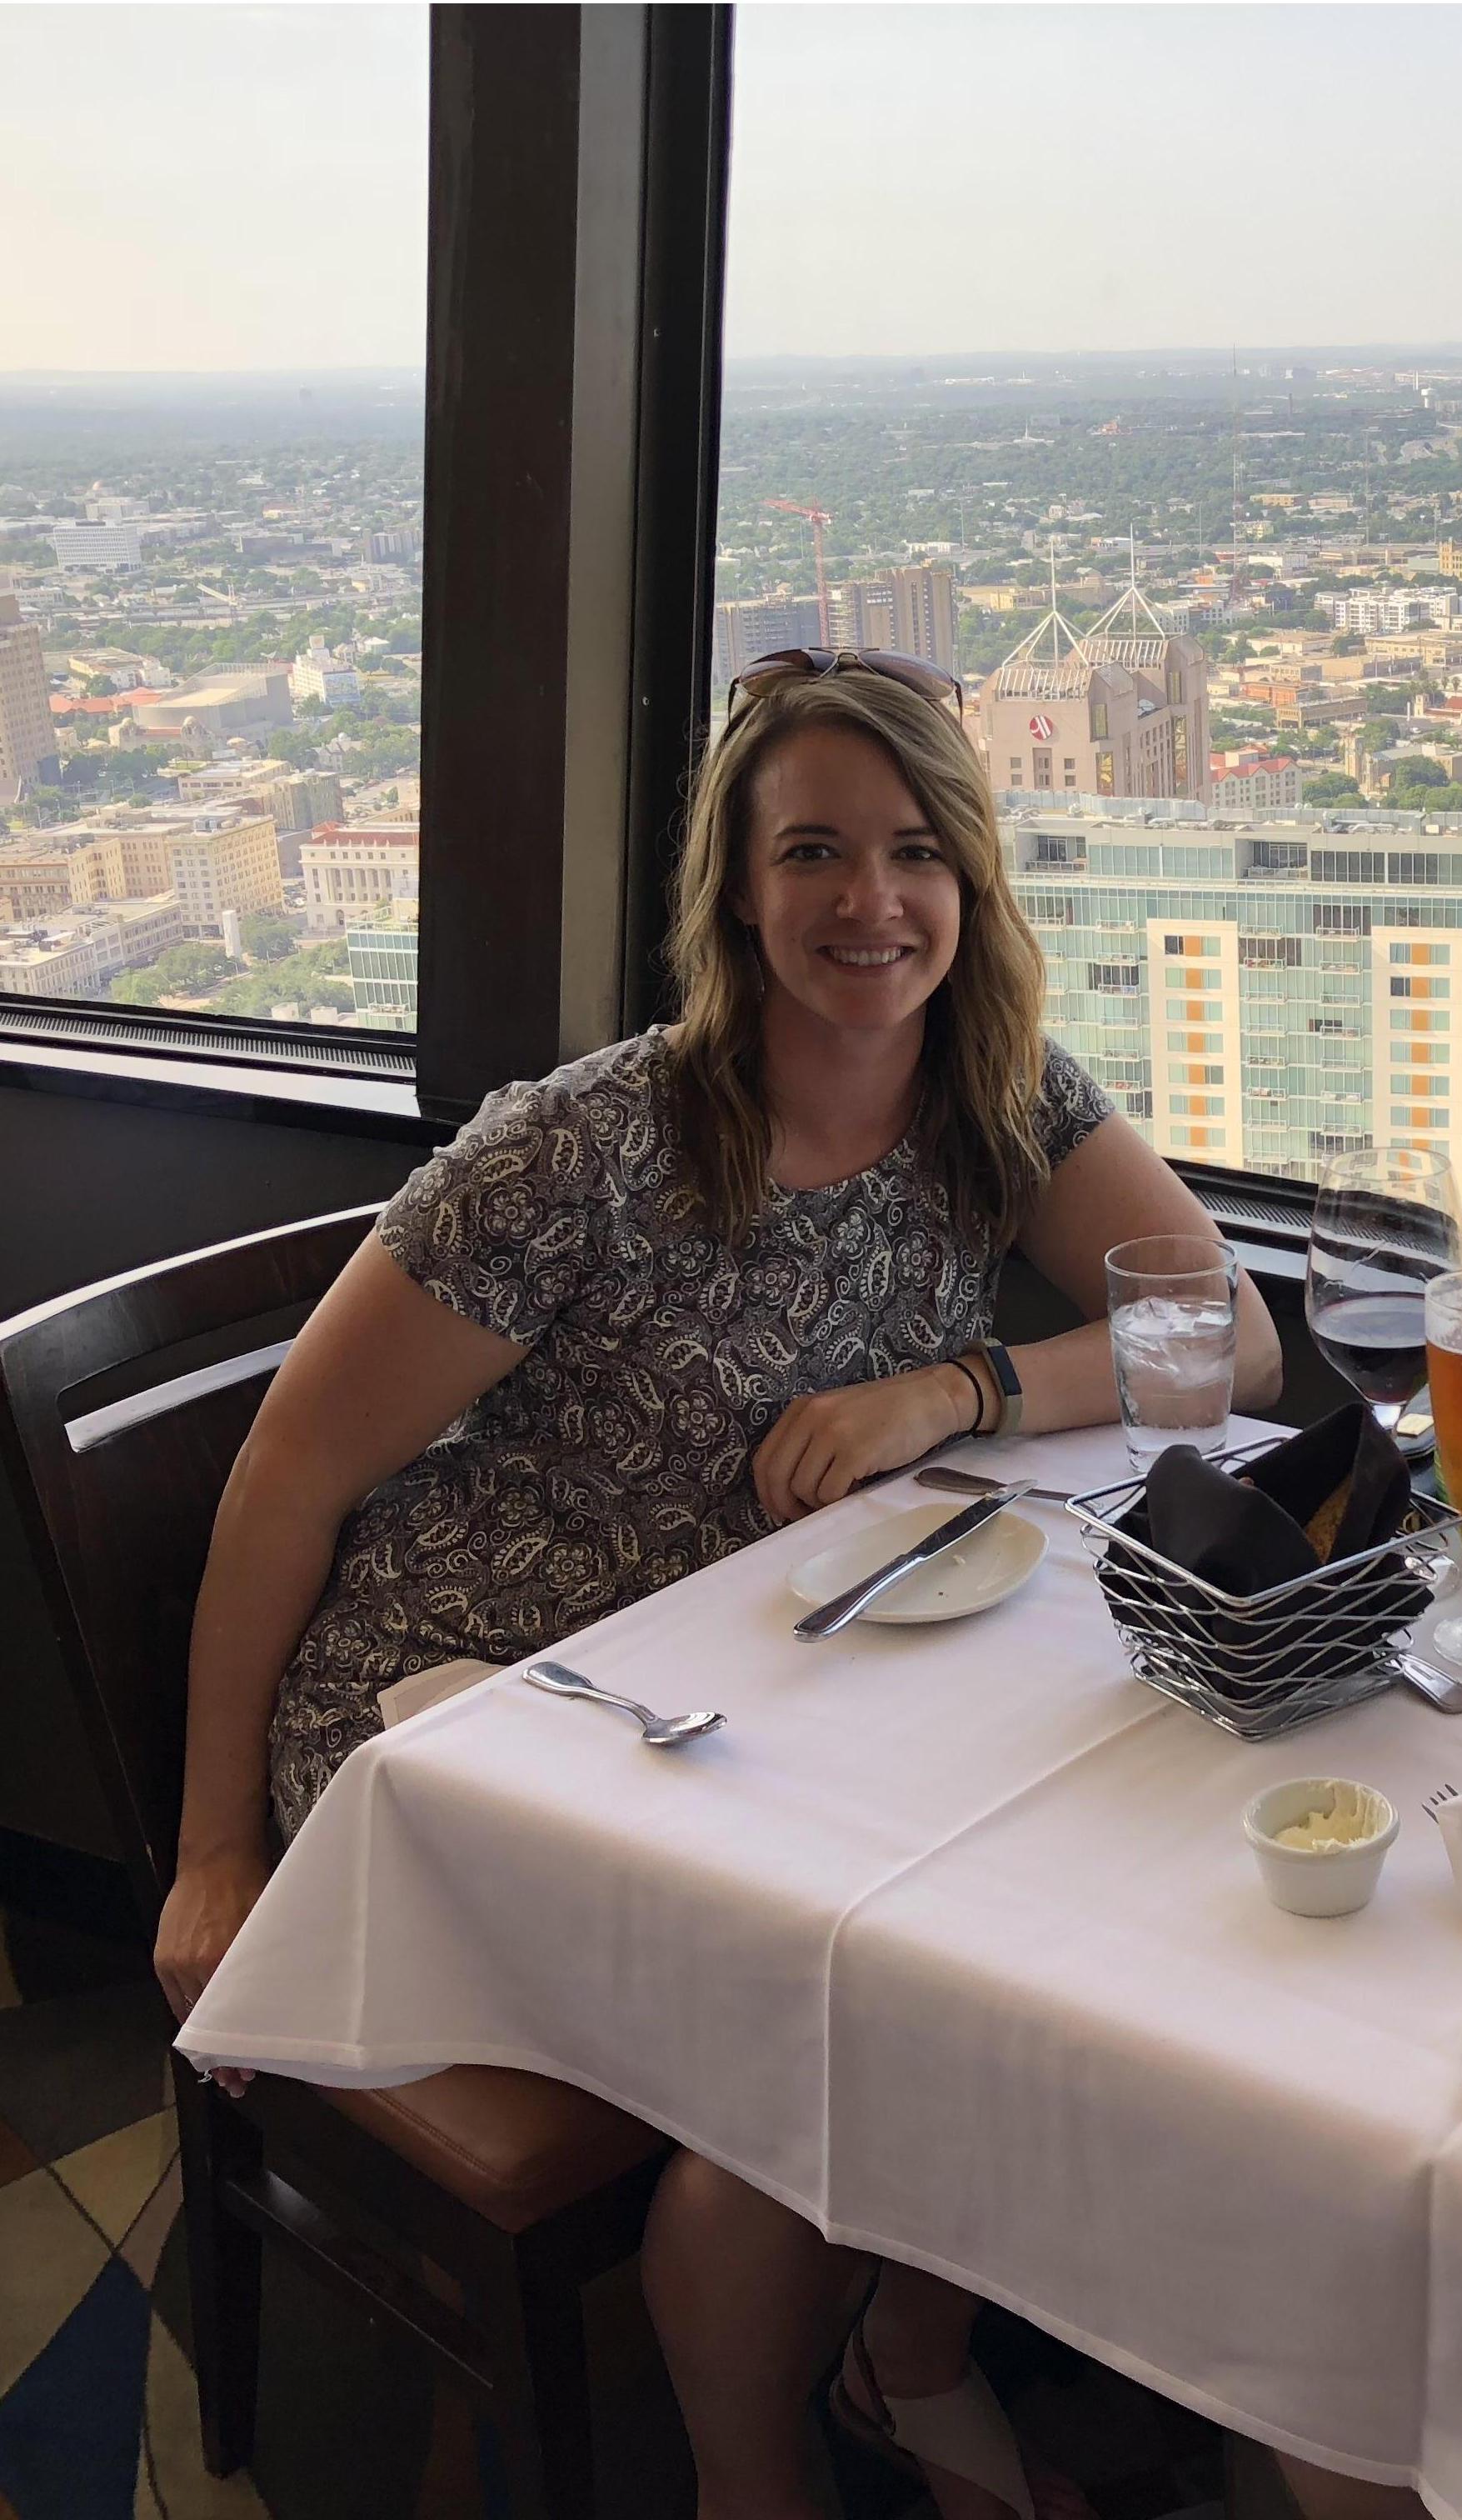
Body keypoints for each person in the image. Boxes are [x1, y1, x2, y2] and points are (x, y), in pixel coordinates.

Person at [153, 648, 1283, 2520]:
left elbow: (1223, 1340)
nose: (871, 903)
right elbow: (289, 1473)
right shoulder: (579, 1151)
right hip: (486, 1703)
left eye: (916, 851)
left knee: (1043, 1936)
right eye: (814, 852)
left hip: (771, 1685)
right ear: (739, 892)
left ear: (971, 883)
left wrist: (961, 1384)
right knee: (838, 2039)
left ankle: (902, 2356)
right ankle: (761, 2474)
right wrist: (211, 1850)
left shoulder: (995, 1097)